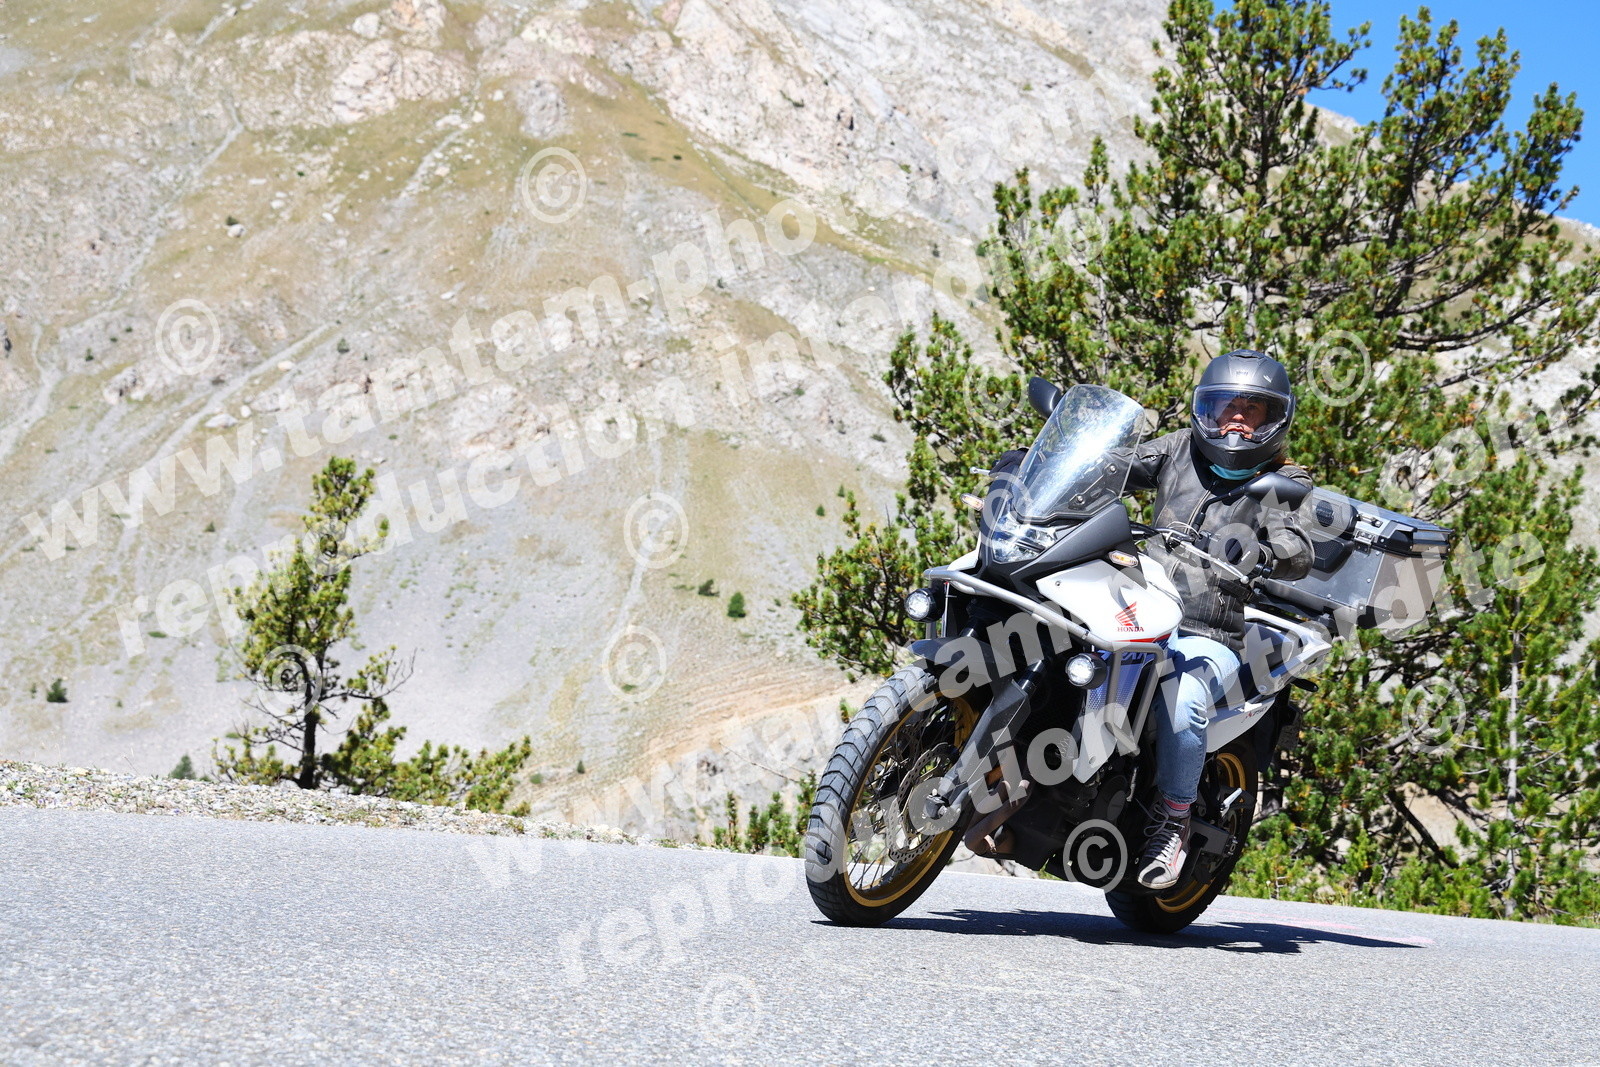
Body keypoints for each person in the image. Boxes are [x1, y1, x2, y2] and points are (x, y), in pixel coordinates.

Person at [1120, 349, 1315, 889]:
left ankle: (1173, 820)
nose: (1236, 420)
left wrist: (1268, 551)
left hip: (1206, 632)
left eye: (1252, 410)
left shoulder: (1283, 479)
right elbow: (1116, 466)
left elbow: (1297, 544)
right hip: (1137, 609)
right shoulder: (1179, 448)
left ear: (1273, 420)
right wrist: (1048, 462)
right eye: (1228, 406)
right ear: (1205, 408)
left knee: (1183, 698)